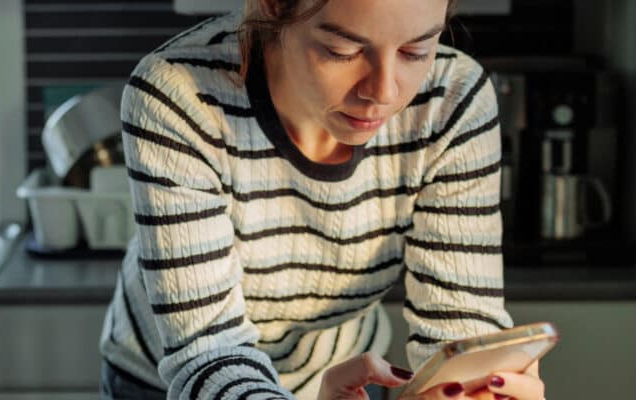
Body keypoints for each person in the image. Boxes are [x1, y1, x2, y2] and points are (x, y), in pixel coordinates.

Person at [98, 0, 545, 398]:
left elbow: (459, 327)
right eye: (343, 51)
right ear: (273, 6)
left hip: (345, 372)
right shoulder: (178, 93)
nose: (383, 93)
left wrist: (472, 382)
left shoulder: (452, 99)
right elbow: (209, 348)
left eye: (416, 50)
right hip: (175, 380)